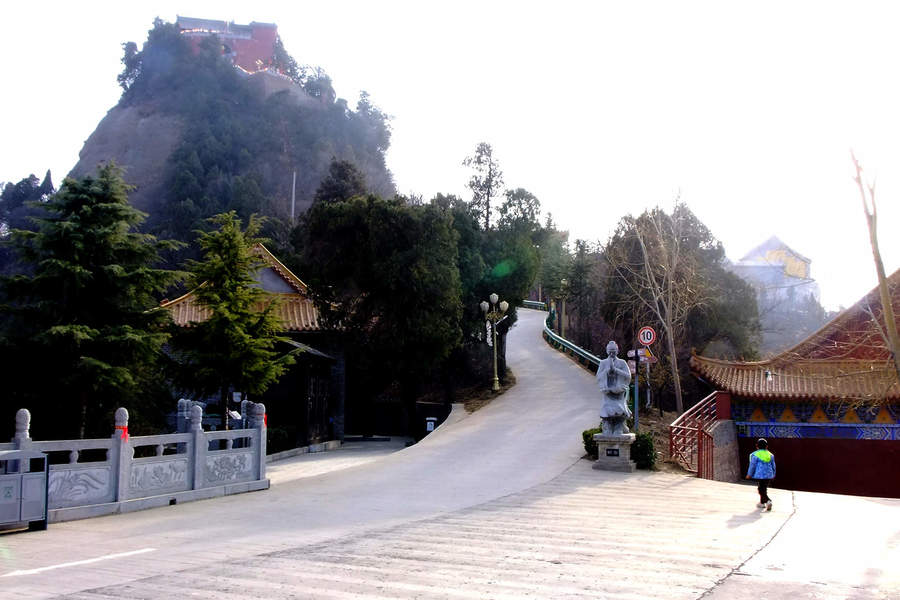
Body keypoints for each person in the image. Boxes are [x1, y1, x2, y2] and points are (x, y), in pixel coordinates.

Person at [595, 341, 632, 435]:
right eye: (610, 351)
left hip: (618, 391)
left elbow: (628, 376)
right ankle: (607, 426)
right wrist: (607, 371)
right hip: (608, 391)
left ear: (618, 351)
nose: (612, 353)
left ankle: (619, 427)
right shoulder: (603, 363)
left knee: (620, 410)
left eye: (614, 351)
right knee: (607, 409)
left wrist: (616, 370)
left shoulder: (622, 362)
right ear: (607, 351)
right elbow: (599, 377)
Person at [745, 438, 776, 511]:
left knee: (760, 489)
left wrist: (749, 474)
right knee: (764, 488)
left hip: (760, 475)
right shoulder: (770, 455)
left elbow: (752, 466)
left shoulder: (755, 455)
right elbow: (773, 466)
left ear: (757, 446)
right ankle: (762, 503)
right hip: (769, 475)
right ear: (767, 446)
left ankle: (768, 501)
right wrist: (773, 474)